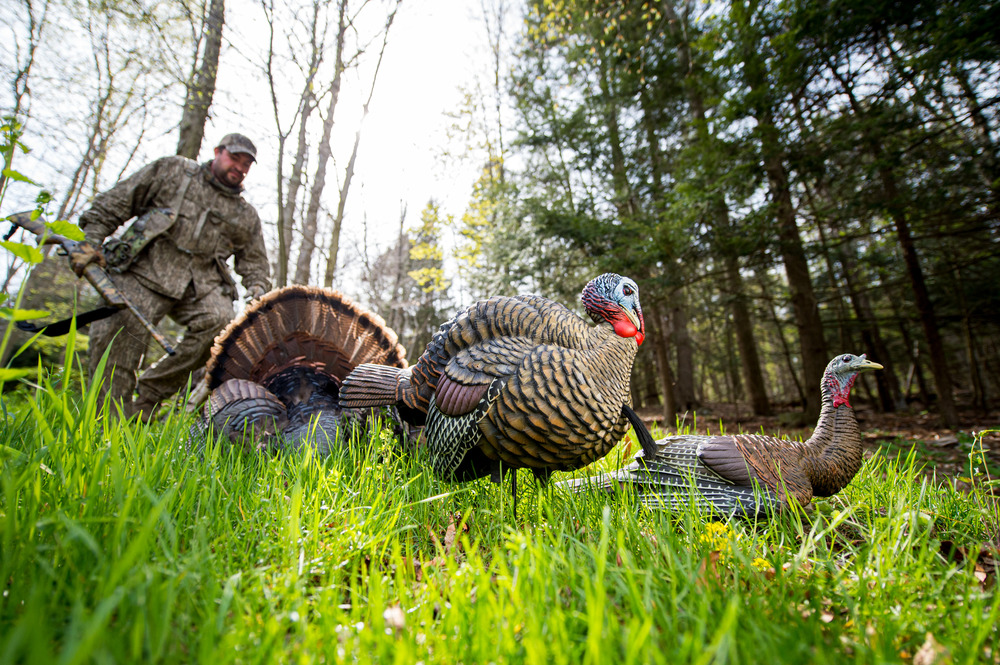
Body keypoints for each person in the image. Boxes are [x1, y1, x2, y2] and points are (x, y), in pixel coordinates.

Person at [70, 133, 272, 421]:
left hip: (200, 285)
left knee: (221, 328)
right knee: (118, 338)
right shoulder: (173, 171)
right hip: (143, 270)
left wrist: (258, 288)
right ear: (217, 152)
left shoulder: (245, 214)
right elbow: (117, 201)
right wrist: (90, 241)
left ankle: (149, 396)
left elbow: (254, 261)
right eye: (234, 158)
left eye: (246, 164)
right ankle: (106, 427)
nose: (239, 167)